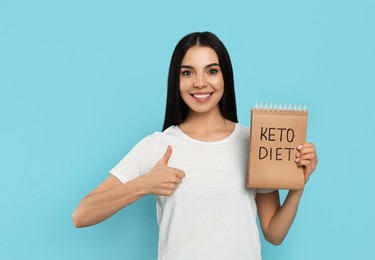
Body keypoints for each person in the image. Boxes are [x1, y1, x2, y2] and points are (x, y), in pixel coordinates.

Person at [72, 31, 318, 260]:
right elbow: (82, 215)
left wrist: (297, 186)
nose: (200, 83)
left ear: (225, 77)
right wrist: (145, 184)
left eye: (211, 71)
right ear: (175, 80)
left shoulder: (254, 142)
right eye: (187, 73)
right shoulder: (158, 146)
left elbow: (274, 234)